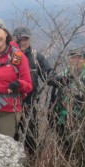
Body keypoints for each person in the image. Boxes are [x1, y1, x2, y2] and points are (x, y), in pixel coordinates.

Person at [48, 48, 85, 154]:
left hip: (80, 120)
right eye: (73, 57)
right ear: (69, 59)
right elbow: (54, 96)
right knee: (63, 148)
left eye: (79, 57)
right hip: (61, 118)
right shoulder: (63, 74)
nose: (76, 60)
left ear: (84, 61)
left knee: (79, 149)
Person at [11, 26, 52, 155]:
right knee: (10, 140)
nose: (23, 42)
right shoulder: (7, 55)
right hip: (9, 106)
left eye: (26, 39)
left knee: (31, 140)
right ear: (14, 39)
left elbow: (49, 76)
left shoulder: (36, 57)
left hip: (29, 106)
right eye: (20, 38)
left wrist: (63, 80)